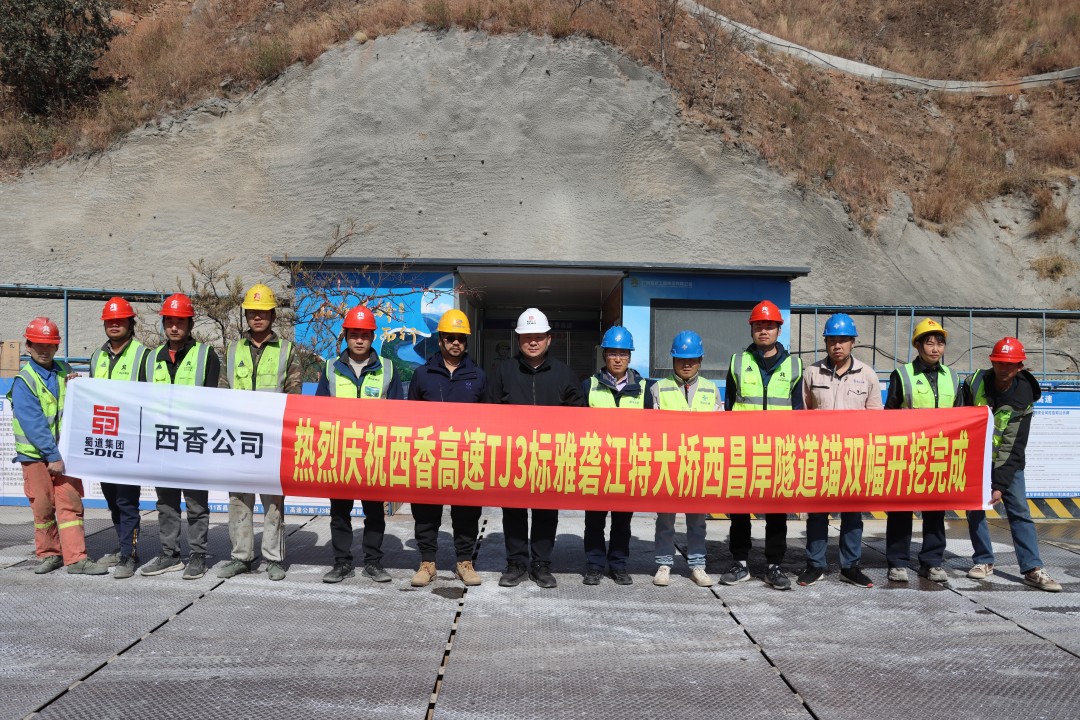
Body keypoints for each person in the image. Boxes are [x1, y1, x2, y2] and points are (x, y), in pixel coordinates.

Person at [486, 307, 584, 589]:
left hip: (550, 457)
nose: (532, 342)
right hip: (512, 456)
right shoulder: (503, 371)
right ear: (518, 340)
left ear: (549, 340)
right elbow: (490, 412)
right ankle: (516, 563)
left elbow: (578, 414)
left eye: (538, 337)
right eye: (527, 337)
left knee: (546, 512)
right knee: (513, 511)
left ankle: (541, 564)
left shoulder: (564, 374)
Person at [9, 317, 107, 576]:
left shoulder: (65, 370)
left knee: (70, 504)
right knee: (43, 507)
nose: (44, 350)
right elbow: (34, 424)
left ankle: (76, 558)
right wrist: (53, 455)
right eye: (38, 345)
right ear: (28, 346)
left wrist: (76, 385)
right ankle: (50, 554)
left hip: (64, 454)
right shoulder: (24, 380)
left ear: (56, 346)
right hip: (36, 457)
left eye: (49, 345)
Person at [962, 338, 1061, 592]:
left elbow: (1013, 445)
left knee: (1019, 513)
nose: (1004, 368)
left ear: (1019, 367)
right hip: (977, 459)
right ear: (992, 362)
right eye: (999, 362)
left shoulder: (1023, 396)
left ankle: (1032, 568)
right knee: (975, 509)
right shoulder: (974, 383)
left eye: (1010, 364)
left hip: (1009, 463)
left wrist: (999, 484)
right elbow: (961, 419)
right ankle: (984, 560)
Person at [218, 284, 301, 582]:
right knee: (239, 500)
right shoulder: (232, 350)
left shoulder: (287, 351)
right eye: (252, 312)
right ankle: (241, 557)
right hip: (238, 438)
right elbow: (222, 391)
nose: (257, 317)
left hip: (272, 439)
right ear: (246, 315)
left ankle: (273, 559)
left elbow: (294, 394)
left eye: (263, 312)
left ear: (273, 316)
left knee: (272, 502)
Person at [316, 304, 404, 584]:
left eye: (364, 335)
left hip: (374, 453)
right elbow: (318, 411)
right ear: (345, 336)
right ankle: (341, 562)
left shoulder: (387, 368)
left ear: (372, 337)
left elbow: (398, 413)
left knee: (374, 511)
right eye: (354, 334)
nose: (359, 340)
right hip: (340, 452)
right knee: (339, 511)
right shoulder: (331, 367)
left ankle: (373, 562)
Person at [720, 300, 804, 591]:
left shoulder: (794, 366)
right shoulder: (737, 362)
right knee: (740, 510)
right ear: (751, 329)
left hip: (779, 450)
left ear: (779, 329)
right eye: (758, 326)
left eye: (769, 326)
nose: (763, 331)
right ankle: (740, 563)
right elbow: (729, 407)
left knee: (777, 511)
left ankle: (774, 566)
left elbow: (799, 411)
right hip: (744, 450)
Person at [139, 293, 223, 580]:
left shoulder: (205, 355)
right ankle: (169, 554)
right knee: (166, 503)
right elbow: (142, 400)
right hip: (162, 442)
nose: (174, 327)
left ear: (190, 324)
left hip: (193, 442)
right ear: (164, 323)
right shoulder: (151, 358)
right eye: (170, 322)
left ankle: (197, 555)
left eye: (180, 322)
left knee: (196, 504)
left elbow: (211, 401)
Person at [798, 313, 881, 588]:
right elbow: (802, 415)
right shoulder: (812, 373)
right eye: (832, 340)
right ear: (825, 342)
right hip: (820, 456)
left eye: (843, 340)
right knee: (817, 512)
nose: (837, 345)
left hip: (854, 457)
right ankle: (815, 565)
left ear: (853, 342)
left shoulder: (867, 375)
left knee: (852, 513)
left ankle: (850, 566)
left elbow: (876, 419)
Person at [407, 309, 486, 588]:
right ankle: (427, 562)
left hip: (466, 456)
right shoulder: (422, 375)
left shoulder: (478, 376)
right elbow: (410, 418)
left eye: (461, 338)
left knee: (467, 513)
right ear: (440, 339)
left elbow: (488, 419)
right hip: (429, 455)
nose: (455, 343)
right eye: (450, 337)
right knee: (426, 512)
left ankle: (464, 561)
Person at [883, 318, 958, 585]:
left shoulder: (952, 377)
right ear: (917, 345)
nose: (935, 349)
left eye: (940, 343)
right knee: (901, 509)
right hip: (907, 453)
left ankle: (932, 562)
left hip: (939, 454)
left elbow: (960, 416)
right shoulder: (902, 375)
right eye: (929, 343)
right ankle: (897, 562)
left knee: (935, 510)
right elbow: (889, 415)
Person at [650, 330, 721, 588]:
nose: (687, 364)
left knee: (697, 520)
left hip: (699, 465)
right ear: (673, 360)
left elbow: (719, 430)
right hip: (668, 464)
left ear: (700, 360)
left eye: (692, 359)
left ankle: (697, 566)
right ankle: (664, 564)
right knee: (665, 519)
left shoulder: (711, 390)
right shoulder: (659, 388)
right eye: (681, 359)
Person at [582, 326, 652, 586]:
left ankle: (619, 565)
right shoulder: (589, 385)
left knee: (622, 522)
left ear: (630, 357)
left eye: (623, 354)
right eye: (613, 353)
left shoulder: (644, 388)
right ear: (605, 355)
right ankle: (594, 565)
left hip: (628, 466)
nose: (618, 359)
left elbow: (652, 429)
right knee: (594, 521)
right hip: (596, 465)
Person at [88, 297, 150, 580]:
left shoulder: (143, 355)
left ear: (130, 323)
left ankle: (128, 554)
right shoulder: (97, 356)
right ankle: (124, 545)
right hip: (104, 440)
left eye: (120, 320)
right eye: (110, 321)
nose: (114, 325)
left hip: (130, 441)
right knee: (112, 500)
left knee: (127, 501)